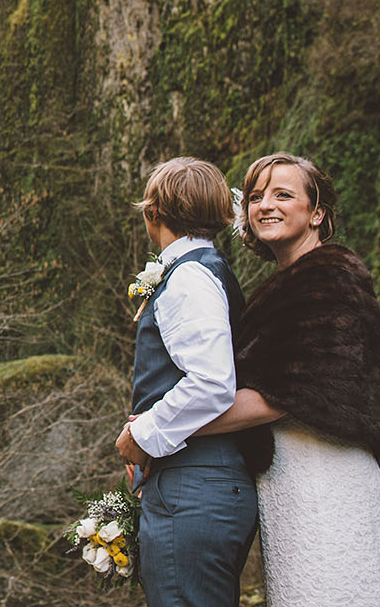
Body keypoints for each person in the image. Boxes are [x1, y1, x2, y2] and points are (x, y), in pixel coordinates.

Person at [193, 153, 380, 606]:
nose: (265, 205)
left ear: (317, 213)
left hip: (328, 483)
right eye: (257, 196)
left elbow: (283, 396)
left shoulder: (331, 278)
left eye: (283, 194)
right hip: (290, 486)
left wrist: (165, 429)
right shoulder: (284, 286)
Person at [115, 157, 258, 607]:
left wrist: (143, 435)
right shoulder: (207, 268)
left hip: (193, 489)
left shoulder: (189, 277)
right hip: (201, 485)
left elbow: (213, 382)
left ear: (151, 212)